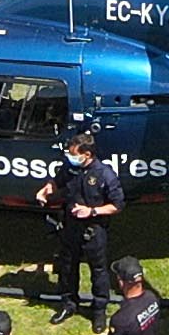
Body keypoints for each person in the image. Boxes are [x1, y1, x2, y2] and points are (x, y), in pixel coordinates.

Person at [37, 128, 122, 324]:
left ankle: (99, 311)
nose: (70, 158)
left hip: (93, 229)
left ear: (87, 154)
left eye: (74, 155)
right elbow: (57, 181)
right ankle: (69, 304)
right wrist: (46, 190)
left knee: (98, 271)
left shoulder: (105, 175)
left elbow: (117, 205)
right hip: (70, 226)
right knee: (68, 267)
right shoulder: (70, 168)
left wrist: (92, 211)